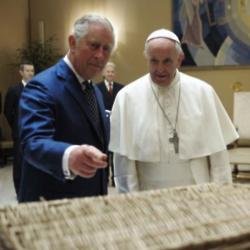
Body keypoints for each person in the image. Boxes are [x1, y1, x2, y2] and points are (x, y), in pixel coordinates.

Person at [109, 29, 238, 193]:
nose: (160, 68)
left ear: (179, 59)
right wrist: (129, 201)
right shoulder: (127, 97)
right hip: (149, 193)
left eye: (167, 61)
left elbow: (218, 155)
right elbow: (123, 162)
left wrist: (221, 194)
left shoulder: (203, 92)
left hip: (197, 190)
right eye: (154, 61)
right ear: (146, 58)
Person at [18, 14, 115, 202]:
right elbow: (33, 142)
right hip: (52, 205)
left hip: (91, 203)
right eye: (94, 46)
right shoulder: (42, 86)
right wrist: (69, 156)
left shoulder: (95, 91)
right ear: (72, 42)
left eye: (106, 49)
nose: (100, 56)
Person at [3, 61, 35, 195]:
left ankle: (33, 188)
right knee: (19, 163)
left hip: (35, 131)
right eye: (27, 71)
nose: (30, 73)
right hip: (20, 132)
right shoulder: (14, 90)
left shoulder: (37, 88)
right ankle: (19, 190)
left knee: (34, 161)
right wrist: (16, 126)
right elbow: (7, 111)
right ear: (21, 72)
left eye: (32, 71)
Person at [97, 62, 123, 186]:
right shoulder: (97, 88)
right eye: (108, 71)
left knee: (115, 152)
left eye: (112, 71)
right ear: (103, 73)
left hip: (117, 125)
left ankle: (115, 180)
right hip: (103, 126)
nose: (110, 74)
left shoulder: (121, 88)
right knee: (105, 153)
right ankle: (105, 178)